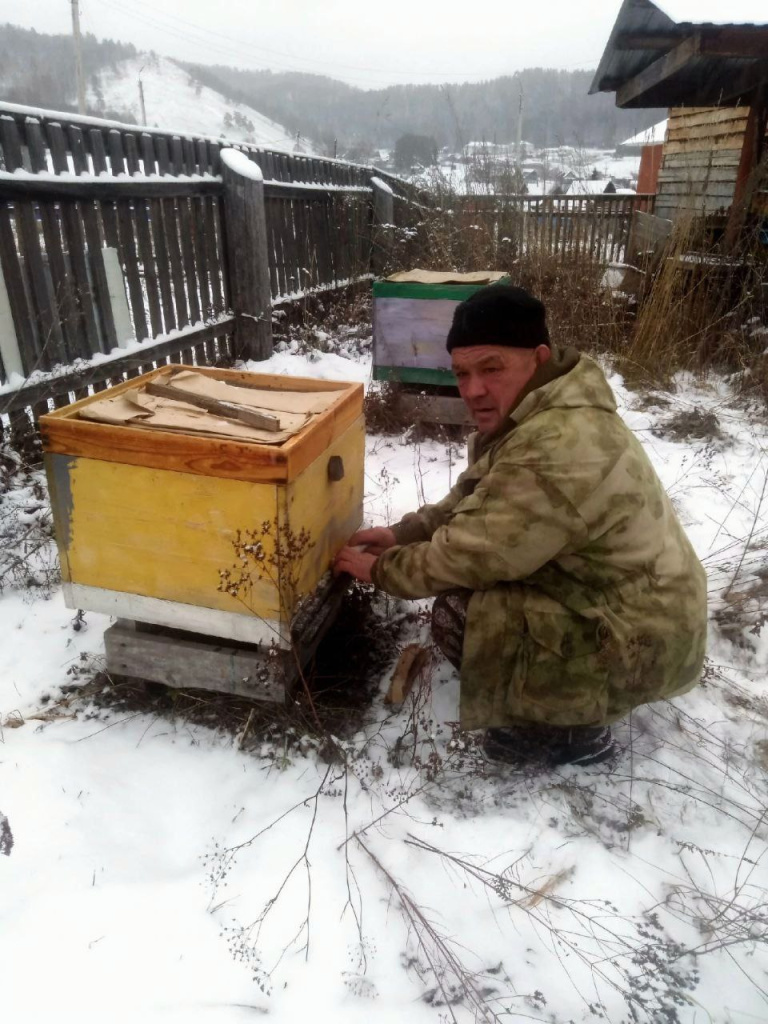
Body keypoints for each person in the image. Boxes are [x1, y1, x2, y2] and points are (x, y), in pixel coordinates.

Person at [334, 284, 707, 767]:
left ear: (538, 357)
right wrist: (404, 533)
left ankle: (570, 734)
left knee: (461, 616)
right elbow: (478, 498)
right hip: (626, 608)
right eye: (462, 373)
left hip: (640, 641)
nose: (472, 390)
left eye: (491, 368)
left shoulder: (559, 443)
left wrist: (382, 571)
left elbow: (470, 553)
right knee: (471, 606)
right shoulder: (541, 412)